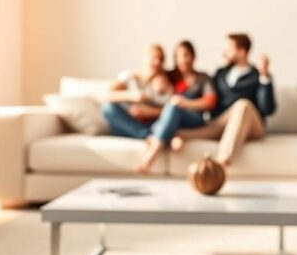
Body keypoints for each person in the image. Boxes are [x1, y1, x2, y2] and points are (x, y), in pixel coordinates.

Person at [175, 32, 276, 167]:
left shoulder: (257, 75)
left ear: (241, 52)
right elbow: (207, 98)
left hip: (251, 125)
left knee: (242, 105)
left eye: (229, 49)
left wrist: (264, 76)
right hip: (221, 124)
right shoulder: (221, 74)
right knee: (177, 133)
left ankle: (221, 164)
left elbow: (267, 109)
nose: (224, 52)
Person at [135, 40, 216, 173]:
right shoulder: (169, 76)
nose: (182, 60)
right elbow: (150, 78)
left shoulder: (202, 78)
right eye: (178, 56)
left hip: (193, 118)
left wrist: (185, 103)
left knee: (173, 107)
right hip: (170, 119)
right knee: (168, 112)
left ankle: (150, 157)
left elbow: (210, 102)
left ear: (193, 57)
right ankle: (172, 137)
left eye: (186, 55)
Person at [101, 44, 170, 139]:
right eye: (154, 57)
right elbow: (105, 95)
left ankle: (147, 135)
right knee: (108, 108)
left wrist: (149, 112)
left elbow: (171, 110)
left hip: (150, 124)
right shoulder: (130, 77)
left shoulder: (163, 83)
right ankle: (147, 136)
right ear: (145, 58)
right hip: (128, 122)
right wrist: (131, 96)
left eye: (160, 59)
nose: (157, 62)